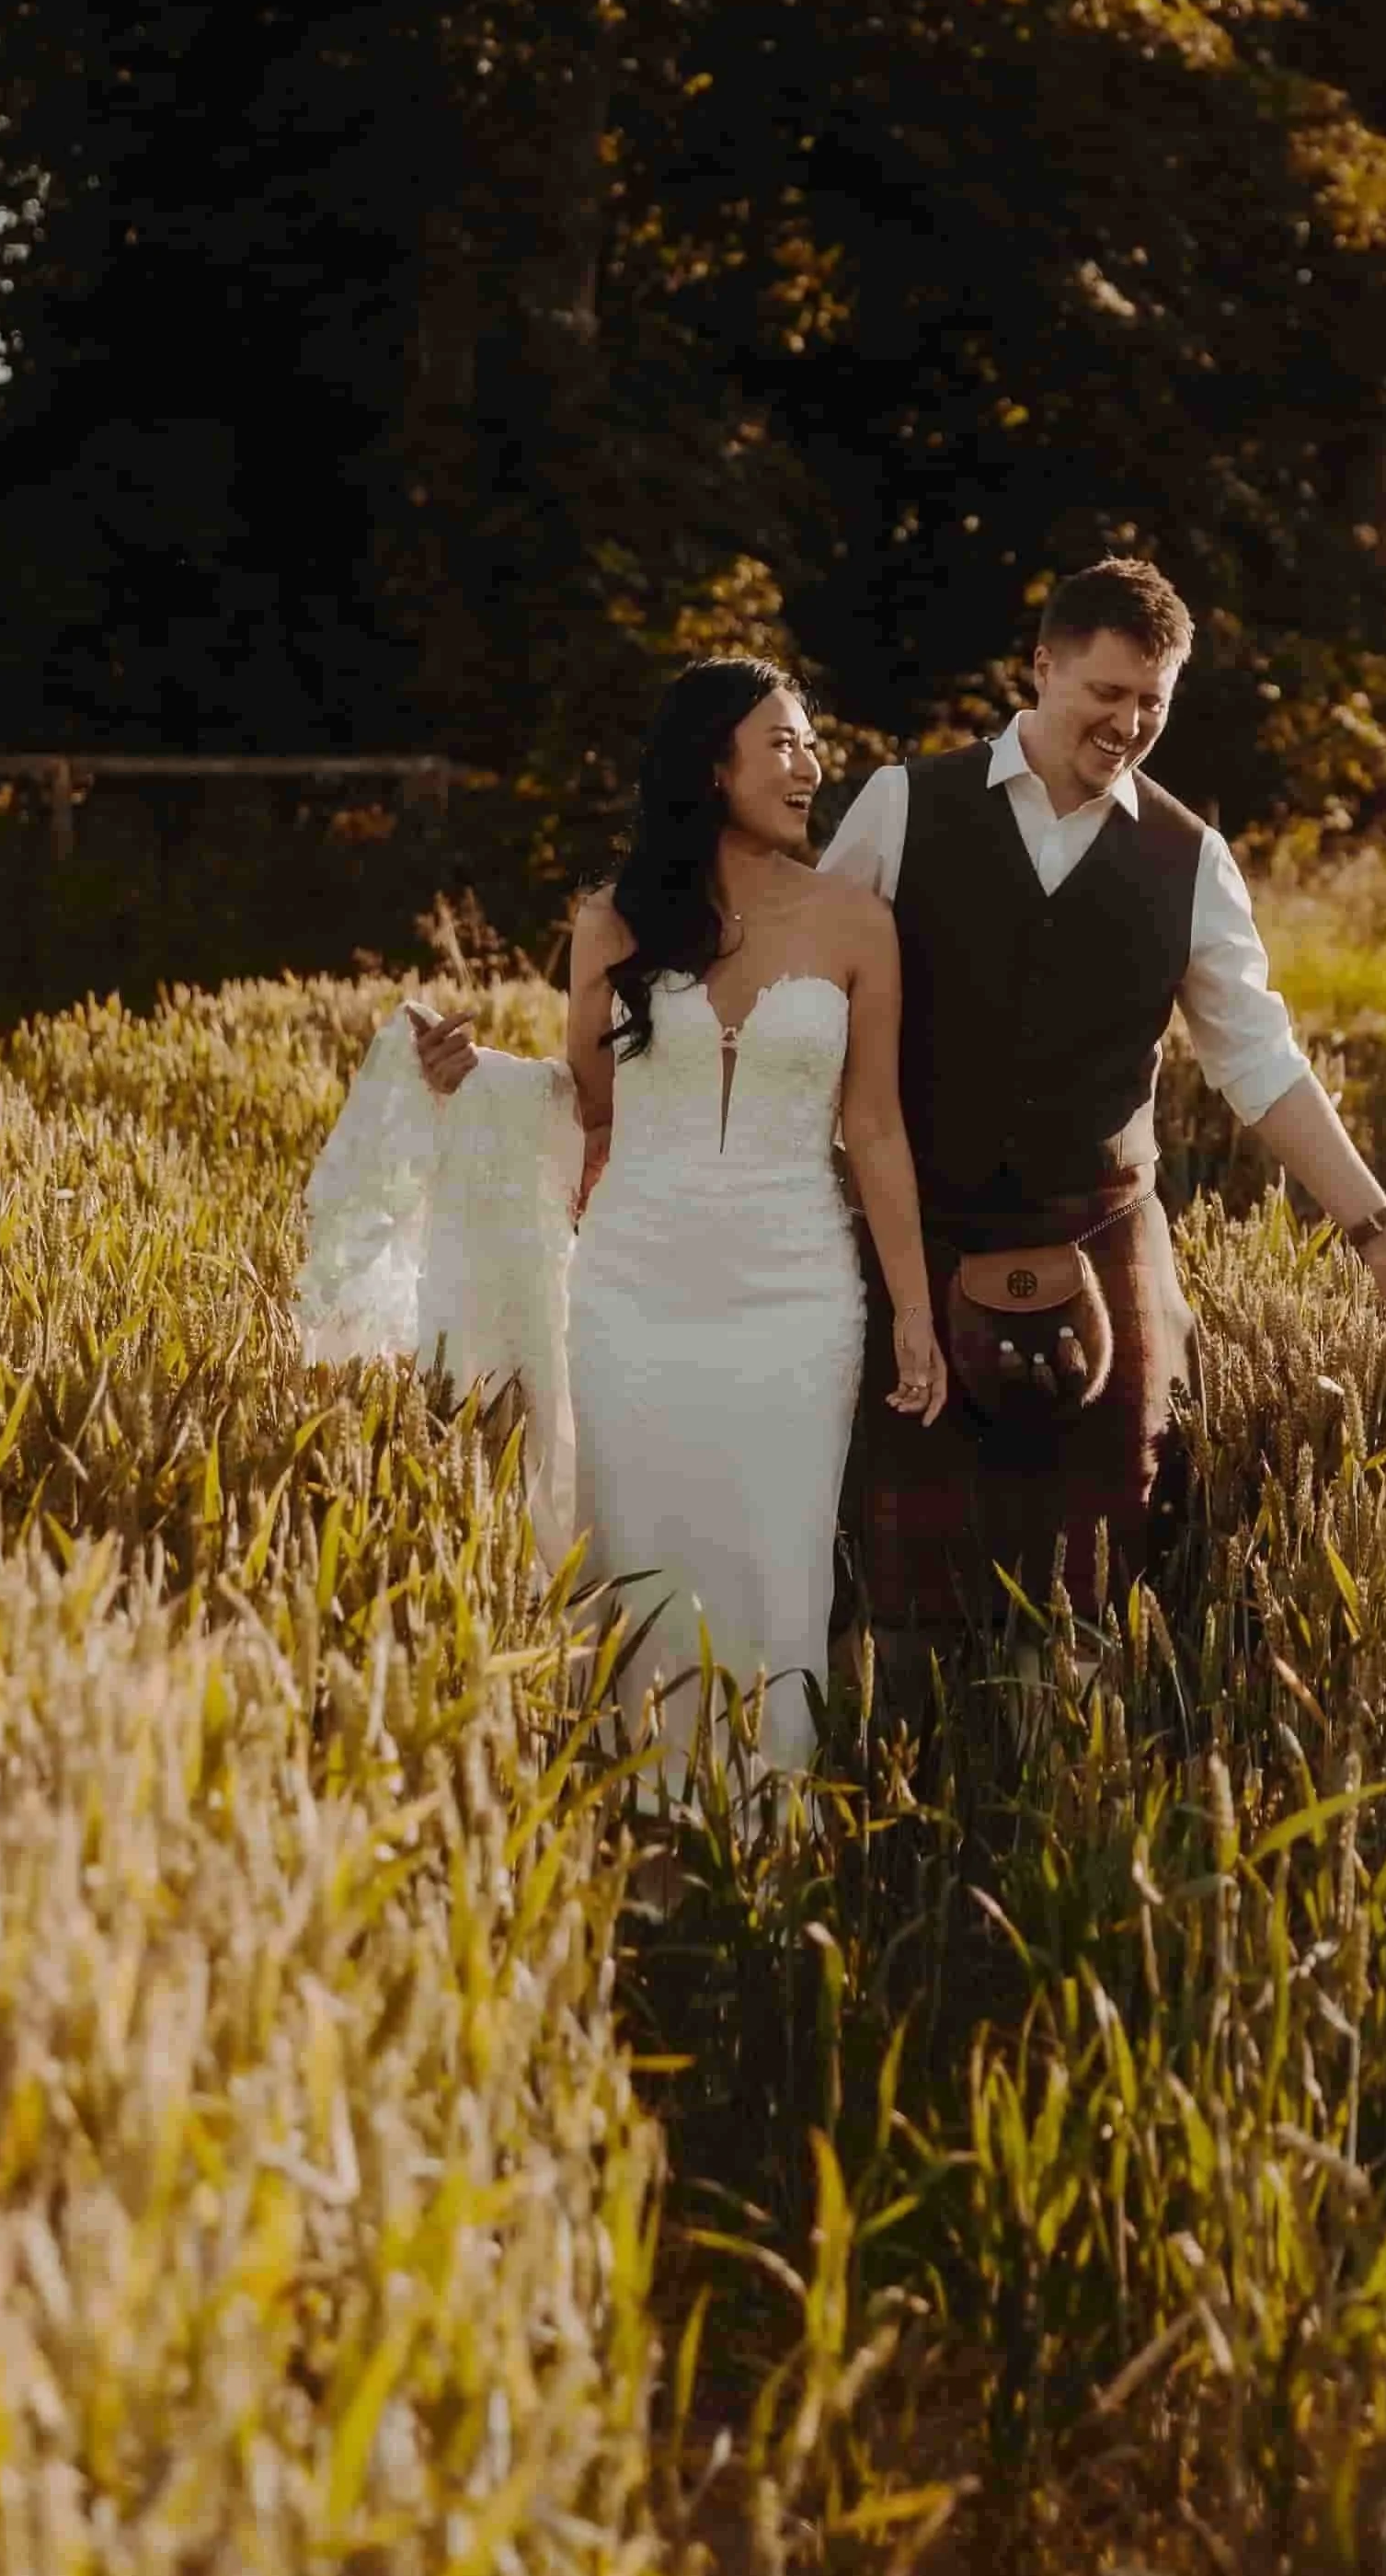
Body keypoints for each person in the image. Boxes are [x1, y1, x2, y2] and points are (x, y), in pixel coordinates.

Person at [818, 556, 1386, 1658]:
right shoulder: (901, 808)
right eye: (1106, 692)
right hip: (911, 1238)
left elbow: (1259, 1061)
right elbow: (810, 1003)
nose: (1127, 723)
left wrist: (1377, 1234)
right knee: (897, 1594)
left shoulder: (1192, 858)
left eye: (1153, 702)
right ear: (1041, 668)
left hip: (1101, 1230)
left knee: (1099, 1586)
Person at [312, 656, 945, 1773]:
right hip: (633, 1297)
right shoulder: (611, 921)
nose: (810, 766)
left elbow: (877, 1129)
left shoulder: (859, 925)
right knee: (640, 1568)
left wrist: (910, 1309)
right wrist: (474, 1076)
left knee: (777, 1568)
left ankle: (764, 1840)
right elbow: (593, 1114)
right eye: (783, 743)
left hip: (798, 1301)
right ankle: (640, 1843)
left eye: (809, 743)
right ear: (713, 763)